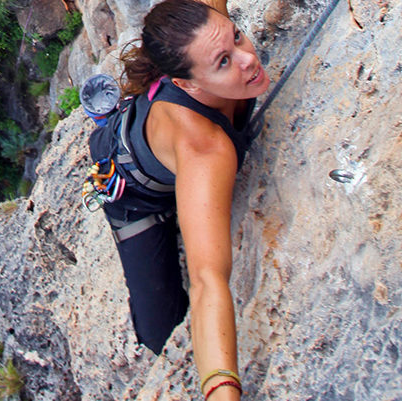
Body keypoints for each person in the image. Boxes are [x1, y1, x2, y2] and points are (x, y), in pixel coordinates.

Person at [99, 0, 270, 399]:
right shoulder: (204, 149)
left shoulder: (203, 22)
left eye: (238, 37)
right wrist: (222, 391)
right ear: (189, 84)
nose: (247, 59)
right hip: (134, 193)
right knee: (161, 333)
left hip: (155, 134)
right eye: (224, 62)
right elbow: (209, 280)